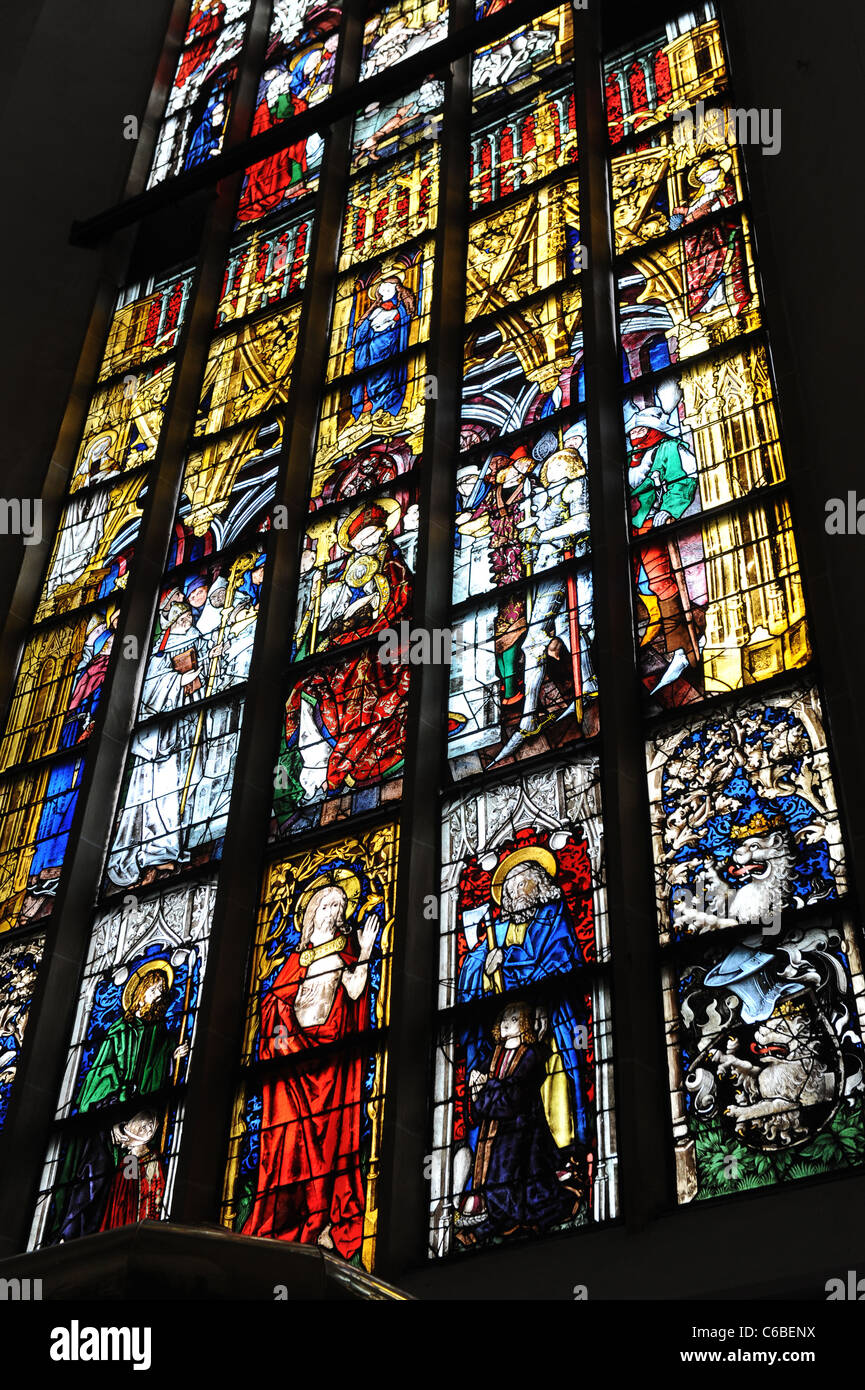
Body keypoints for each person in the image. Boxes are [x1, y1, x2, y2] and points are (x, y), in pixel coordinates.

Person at [241, 881, 379, 1257]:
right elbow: (272, 1004)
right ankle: (282, 1222)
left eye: (339, 906)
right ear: (311, 913)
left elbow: (353, 991)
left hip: (330, 1059)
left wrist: (365, 951)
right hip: (291, 1060)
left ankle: (321, 1221)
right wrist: (282, 1027)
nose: (333, 913)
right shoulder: (294, 960)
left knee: (328, 1143)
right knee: (286, 1143)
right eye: (326, 906)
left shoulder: (347, 948)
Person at [455, 1001, 581, 1245]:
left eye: (513, 1019)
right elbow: (480, 1090)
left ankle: (506, 1217)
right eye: (504, 1018)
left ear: (525, 1023)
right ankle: (494, 1215)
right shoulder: (494, 1055)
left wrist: (484, 1091)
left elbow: (515, 1098)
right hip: (495, 1134)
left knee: (515, 1184)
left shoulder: (532, 1055)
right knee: (495, 1181)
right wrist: (477, 1089)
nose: (506, 1023)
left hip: (524, 1134)